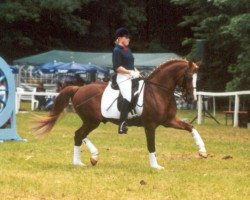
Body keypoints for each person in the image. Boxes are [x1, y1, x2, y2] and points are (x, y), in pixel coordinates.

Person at [112, 27, 140, 134]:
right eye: (126, 37)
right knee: (127, 96)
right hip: (122, 77)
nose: (129, 39)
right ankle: (122, 124)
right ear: (119, 38)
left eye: (129, 37)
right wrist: (130, 72)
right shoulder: (116, 50)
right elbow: (117, 67)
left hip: (131, 75)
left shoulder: (128, 50)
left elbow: (131, 65)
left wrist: (137, 72)